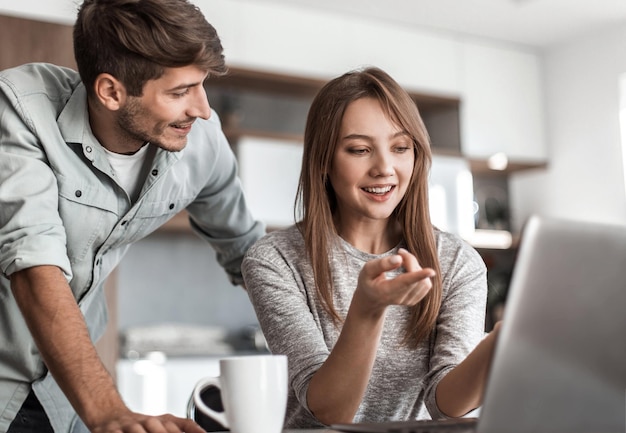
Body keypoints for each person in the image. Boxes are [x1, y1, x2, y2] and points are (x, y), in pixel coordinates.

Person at [0, 0, 264, 432]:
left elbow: (250, 254)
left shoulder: (202, 141)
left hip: (65, 397)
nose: (201, 109)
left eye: (202, 85)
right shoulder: (21, 109)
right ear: (110, 92)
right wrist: (109, 410)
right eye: (180, 92)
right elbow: (34, 265)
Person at [242, 67, 500, 428]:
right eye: (360, 149)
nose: (384, 168)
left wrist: (503, 341)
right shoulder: (276, 260)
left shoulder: (457, 262)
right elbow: (328, 413)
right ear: (323, 161)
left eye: (400, 148)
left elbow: (448, 405)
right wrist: (368, 308)